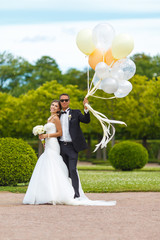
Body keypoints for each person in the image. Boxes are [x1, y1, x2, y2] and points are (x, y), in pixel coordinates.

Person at [23, 99, 116, 206]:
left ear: (58, 109)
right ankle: (47, 194)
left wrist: (46, 136)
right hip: (50, 144)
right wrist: (43, 139)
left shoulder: (56, 118)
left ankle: (66, 193)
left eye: (55, 106)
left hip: (54, 145)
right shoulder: (50, 118)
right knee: (50, 167)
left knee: (60, 166)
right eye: (52, 105)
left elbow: (60, 132)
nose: (53, 107)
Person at [59, 93, 90, 198]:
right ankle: (66, 193)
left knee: (72, 169)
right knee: (64, 171)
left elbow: (86, 120)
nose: (64, 102)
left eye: (66, 100)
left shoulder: (76, 113)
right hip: (61, 146)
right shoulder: (56, 114)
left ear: (69, 101)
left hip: (73, 147)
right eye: (62, 100)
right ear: (60, 102)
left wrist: (86, 107)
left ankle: (76, 194)